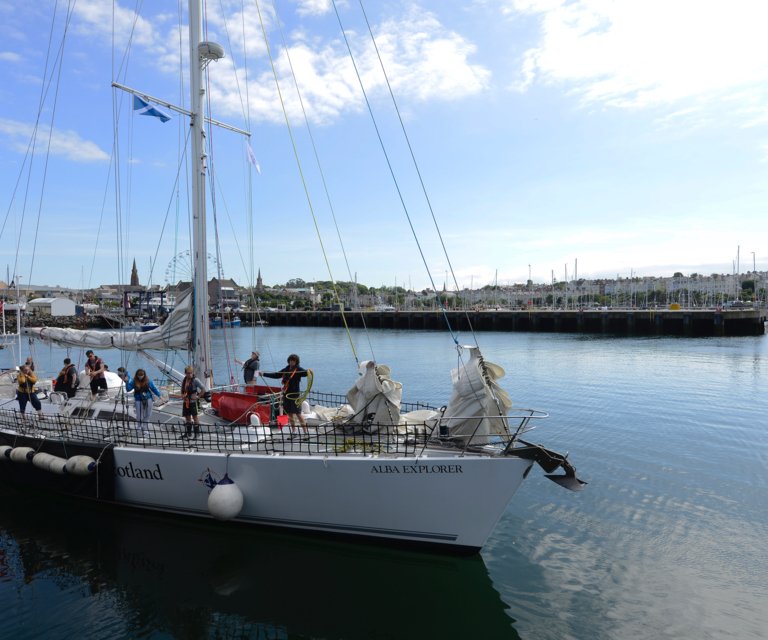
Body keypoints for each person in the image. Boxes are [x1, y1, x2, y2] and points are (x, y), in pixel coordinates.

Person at [260, 354, 311, 436]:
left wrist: (308, 371)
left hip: (295, 395)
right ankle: (294, 431)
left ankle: (305, 432)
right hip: (286, 394)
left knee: (298, 414)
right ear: (289, 361)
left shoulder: (298, 369)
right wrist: (264, 374)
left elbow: (305, 373)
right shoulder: (286, 369)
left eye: (293, 361)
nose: (292, 362)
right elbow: (276, 375)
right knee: (289, 413)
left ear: (296, 362)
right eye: (291, 360)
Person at [119, 368, 162, 436]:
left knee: (148, 414)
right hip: (138, 400)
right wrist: (126, 382)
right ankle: (139, 426)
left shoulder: (148, 381)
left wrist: (159, 395)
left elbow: (154, 388)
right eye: (139, 375)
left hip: (148, 399)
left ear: (144, 375)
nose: (140, 376)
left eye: (142, 375)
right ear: (137, 375)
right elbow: (128, 389)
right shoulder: (134, 381)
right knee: (139, 415)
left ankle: (145, 428)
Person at [180, 365, 205, 439]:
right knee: (187, 417)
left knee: (195, 417)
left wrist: (198, 396)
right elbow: (182, 390)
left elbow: (203, 389)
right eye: (188, 373)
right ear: (185, 373)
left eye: (191, 373)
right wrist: (182, 396)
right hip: (186, 401)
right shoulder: (184, 380)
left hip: (193, 402)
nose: (189, 374)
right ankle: (188, 433)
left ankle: (197, 434)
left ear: (192, 373)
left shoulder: (195, 380)